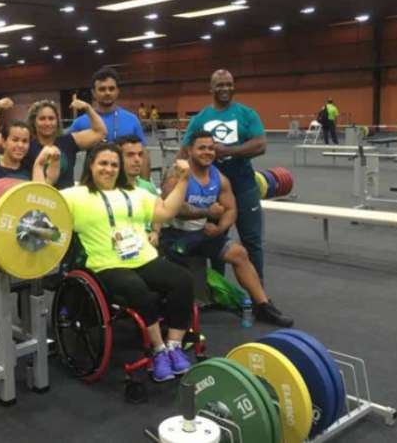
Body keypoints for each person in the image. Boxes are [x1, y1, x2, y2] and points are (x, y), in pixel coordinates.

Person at [61, 143, 195, 382]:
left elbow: (165, 213)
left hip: (143, 258)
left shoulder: (136, 193)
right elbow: (43, 203)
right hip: (106, 264)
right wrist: (42, 167)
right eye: (103, 163)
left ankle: (174, 346)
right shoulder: (75, 195)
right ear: (90, 165)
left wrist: (183, 180)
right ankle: (158, 350)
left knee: (182, 279)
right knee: (135, 288)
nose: (109, 169)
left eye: (114, 164)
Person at [161, 131, 293, 327]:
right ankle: (178, 315)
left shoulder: (219, 178)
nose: (207, 152)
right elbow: (172, 209)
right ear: (190, 150)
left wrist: (220, 228)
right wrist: (207, 212)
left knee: (239, 253)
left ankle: (263, 306)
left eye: (211, 148)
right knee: (182, 277)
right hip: (175, 237)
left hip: (203, 234)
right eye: (201, 148)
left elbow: (231, 209)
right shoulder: (176, 174)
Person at [180, 69, 268, 280]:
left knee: (252, 241)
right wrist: (175, 181)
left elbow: (260, 144)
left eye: (229, 84)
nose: (225, 88)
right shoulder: (200, 118)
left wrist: (228, 150)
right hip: (213, 190)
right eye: (220, 85)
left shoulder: (247, 114)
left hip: (245, 186)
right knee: (215, 240)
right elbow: (184, 152)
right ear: (211, 88)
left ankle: (259, 298)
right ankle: (218, 292)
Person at [0, 95, 106, 189]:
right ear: (34, 121)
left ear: (57, 121)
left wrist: (88, 108)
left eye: (51, 118)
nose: (47, 123)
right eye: (42, 119)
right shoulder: (25, 144)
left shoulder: (69, 141)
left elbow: (100, 132)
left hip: (65, 201)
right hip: (36, 201)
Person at [69, 67, 150, 178]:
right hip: (92, 184)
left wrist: (145, 185)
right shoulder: (80, 122)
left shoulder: (132, 120)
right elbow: (64, 150)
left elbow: (143, 154)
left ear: (117, 91)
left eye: (111, 89)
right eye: (102, 89)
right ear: (93, 92)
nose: (107, 93)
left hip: (125, 183)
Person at [117, 134, 161, 247]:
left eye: (140, 154)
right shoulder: (109, 189)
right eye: (130, 155)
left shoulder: (148, 187)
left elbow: (157, 215)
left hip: (147, 246)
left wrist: (155, 232)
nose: (137, 160)